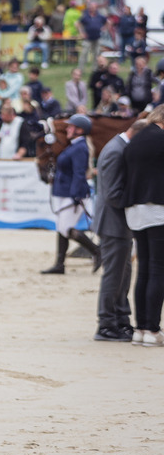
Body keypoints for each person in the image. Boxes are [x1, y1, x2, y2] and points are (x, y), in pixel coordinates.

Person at [93, 119, 149, 341]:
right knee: (114, 276)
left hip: (118, 224)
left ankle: (120, 319)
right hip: (113, 224)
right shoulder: (116, 151)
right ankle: (106, 323)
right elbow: (113, 194)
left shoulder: (119, 147)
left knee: (123, 275)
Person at [119, 106, 164, 346]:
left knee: (144, 269)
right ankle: (153, 329)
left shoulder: (135, 140)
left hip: (134, 209)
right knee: (158, 270)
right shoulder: (161, 139)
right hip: (157, 207)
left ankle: (140, 329)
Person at [41, 114, 101, 274]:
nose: (68, 129)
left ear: (80, 130)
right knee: (61, 227)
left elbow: (79, 173)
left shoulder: (80, 147)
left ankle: (97, 251)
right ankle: (59, 264)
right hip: (65, 191)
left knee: (66, 228)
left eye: (71, 126)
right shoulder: (74, 145)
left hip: (73, 193)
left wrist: (76, 194)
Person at [78, 3, 106, 70]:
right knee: (84, 53)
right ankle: (80, 69)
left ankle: (95, 69)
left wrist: (104, 28)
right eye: (91, 7)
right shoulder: (86, 16)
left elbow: (108, 22)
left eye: (93, 7)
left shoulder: (100, 16)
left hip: (97, 38)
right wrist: (82, 33)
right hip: (88, 38)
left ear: (96, 8)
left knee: (96, 54)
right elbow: (78, 23)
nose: (92, 8)